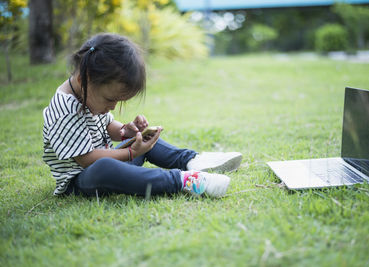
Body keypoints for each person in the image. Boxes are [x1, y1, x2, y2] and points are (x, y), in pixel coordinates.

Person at [42, 33, 242, 198]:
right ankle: (183, 181)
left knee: (143, 141)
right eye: (110, 99)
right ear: (84, 79)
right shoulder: (64, 111)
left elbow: (106, 125)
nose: (112, 107)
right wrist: (130, 153)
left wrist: (126, 132)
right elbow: (87, 160)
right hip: (82, 180)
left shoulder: (89, 96)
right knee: (105, 166)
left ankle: (192, 161)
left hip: (108, 162)